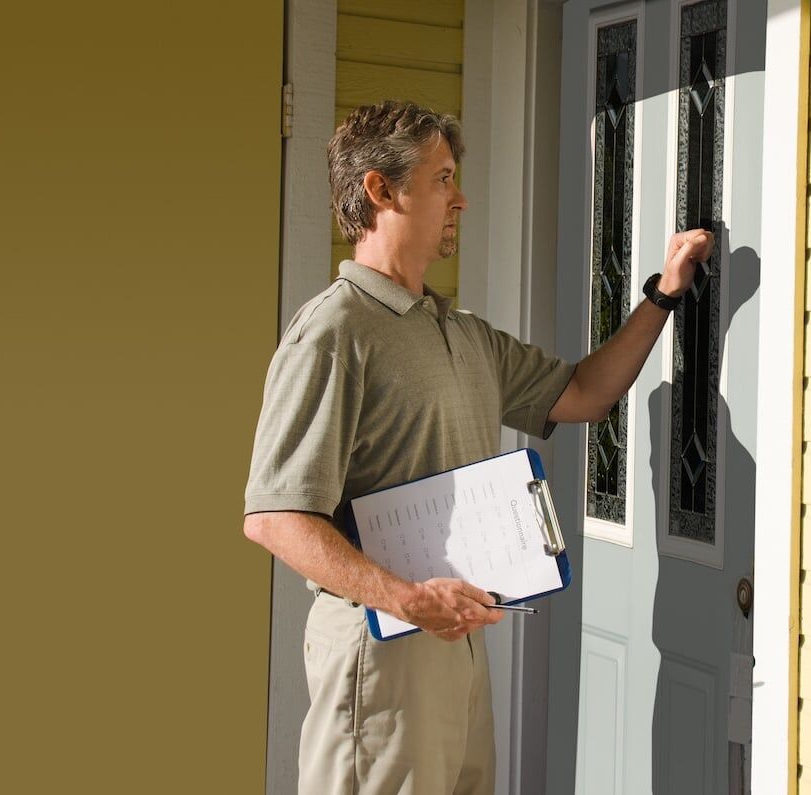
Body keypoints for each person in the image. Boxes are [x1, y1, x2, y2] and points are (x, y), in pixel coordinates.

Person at [242, 100, 713, 794]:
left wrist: (665, 293)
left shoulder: (461, 333)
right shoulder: (334, 332)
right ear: (381, 189)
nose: (460, 197)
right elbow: (275, 518)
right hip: (383, 651)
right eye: (442, 178)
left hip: (454, 640)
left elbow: (585, 391)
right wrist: (405, 598)